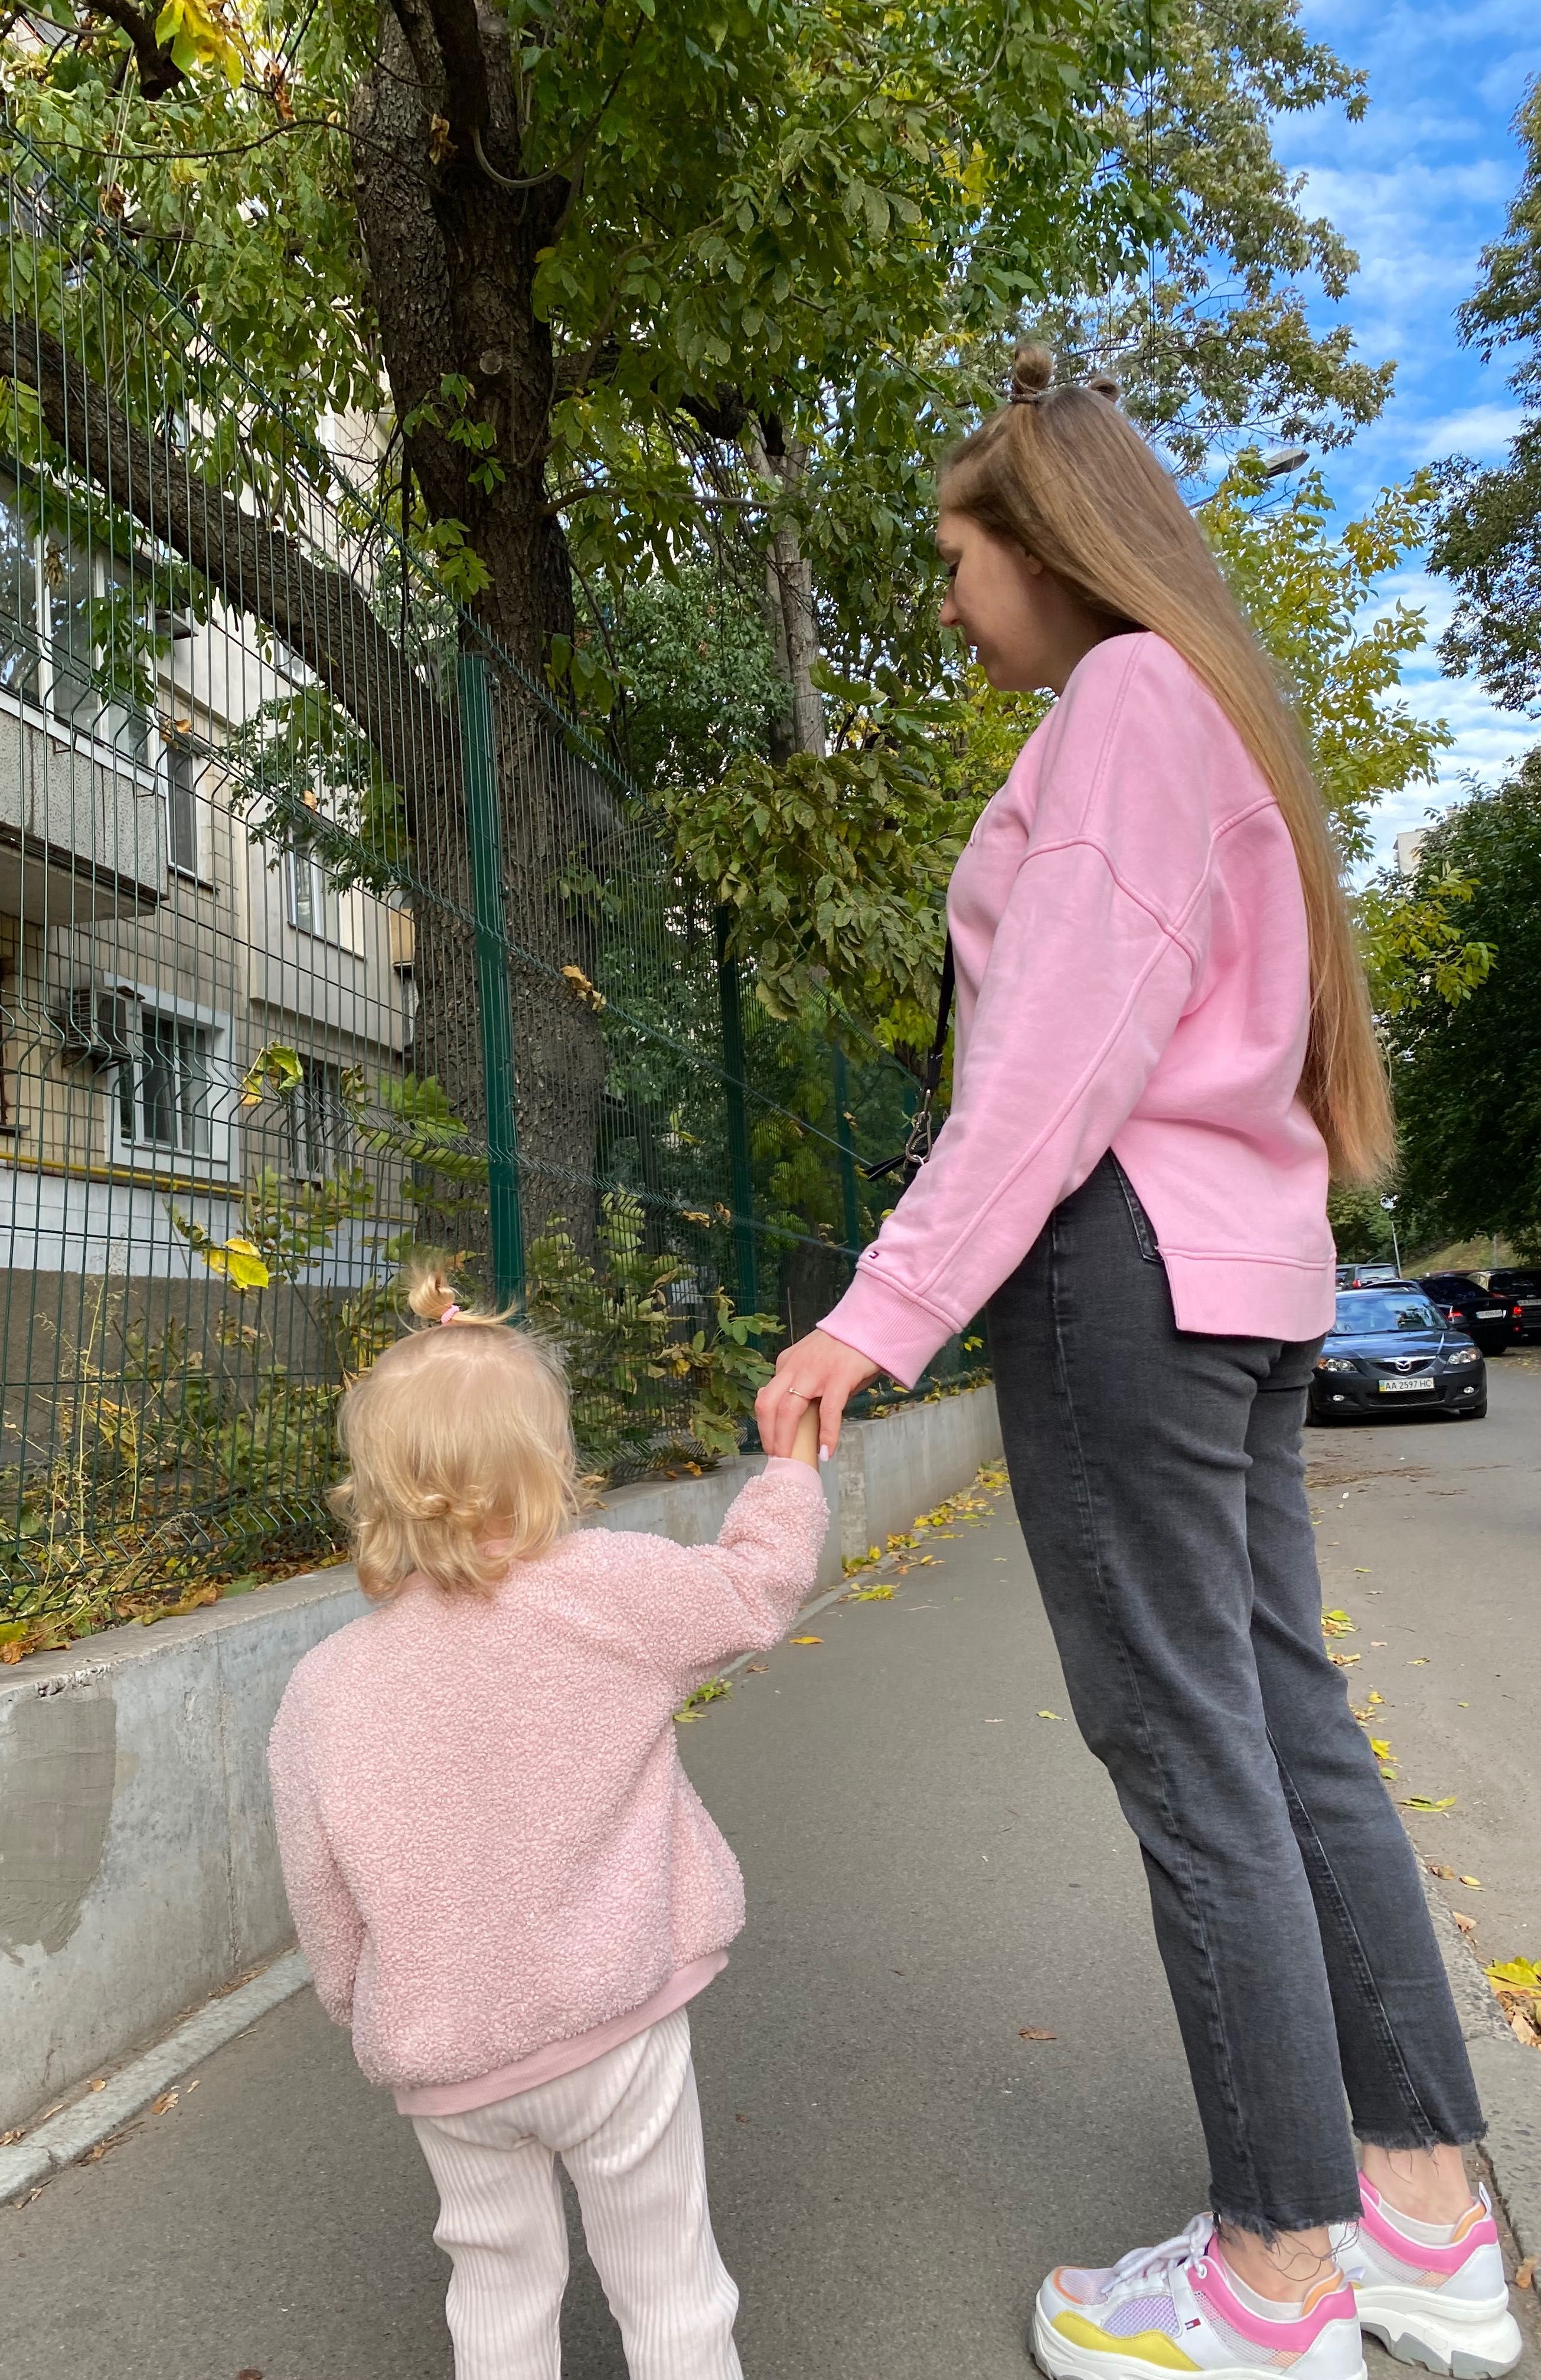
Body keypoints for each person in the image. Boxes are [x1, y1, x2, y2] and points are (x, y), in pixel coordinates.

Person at [755, 345, 1522, 2380]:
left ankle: (1273, 2270)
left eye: (950, 554)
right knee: (1288, 1730)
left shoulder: (1117, 703)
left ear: (1039, 542)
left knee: (1192, 1751)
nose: (943, 599)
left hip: (1125, 1274)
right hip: (1247, 1276)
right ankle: (1423, 2219)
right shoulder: (1220, 715)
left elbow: (1054, 1062)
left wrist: (877, 1308)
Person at [269, 1269, 830, 2380]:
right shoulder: (609, 1591)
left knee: (498, 2283)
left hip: (448, 2053)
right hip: (613, 2014)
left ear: (374, 1488)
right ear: (551, 1465)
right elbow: (758, 1589)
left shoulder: (323, 1688)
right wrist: (791, 1468)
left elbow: (319, 1892)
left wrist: (364, 2000)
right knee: (666, 2272)